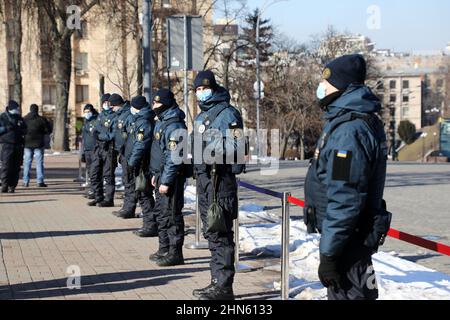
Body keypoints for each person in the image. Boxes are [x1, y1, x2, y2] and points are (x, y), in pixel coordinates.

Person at [303, 54, 389, 300]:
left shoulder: (350, 132)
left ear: (343, 87)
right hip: (349, 238)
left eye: (327, 83)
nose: (322, 87)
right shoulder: (348, 120)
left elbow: (345, 198)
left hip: (348, 242)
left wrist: (329, 254)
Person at [191, 70, 245, 300]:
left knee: (221, 233)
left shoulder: (228, 114)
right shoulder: (201, 116)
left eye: (204, 88)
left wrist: (210, 151)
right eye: (197, 90)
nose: (200, 93)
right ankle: (216, 282)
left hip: (219, 181)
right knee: (212, 233)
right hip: (205, 181)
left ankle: (223, 287)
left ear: (213, 88)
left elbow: (237, 148)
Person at [148, 88, 188, 266]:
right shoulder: (162, 122)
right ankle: (164, 247)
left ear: (165, 104)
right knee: (162, 214)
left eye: (156, 103)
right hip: (161, 174)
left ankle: (175, 252)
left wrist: (166, 180)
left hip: (171, 178)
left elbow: (174, 157)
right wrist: (156, 174)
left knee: (172, 215)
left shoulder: (175, 125)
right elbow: (159, 152)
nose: (154, 106)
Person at [124, 96, 157, 237]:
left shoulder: (144, 122)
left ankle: (150, 225)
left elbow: (140, 144)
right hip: (139, 163)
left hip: (143, 164)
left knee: (144, 194)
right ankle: (149, 223)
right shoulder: (139, 120)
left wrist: (132, 162)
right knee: (142, 193)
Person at [108, 94, 136, 219]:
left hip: (128, 152)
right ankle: (126, 206)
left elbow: (129, 136)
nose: (111, 108)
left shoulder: (128, 115)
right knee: (126, 180)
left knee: (129, 181)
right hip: (123, 152)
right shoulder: (120, 115)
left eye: (112, 106)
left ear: (118, 104)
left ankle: (129, 208)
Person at [88, 93, 117, 207]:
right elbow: (95, 129)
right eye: (103, 103)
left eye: (107, 102)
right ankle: (98, 196)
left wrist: (101, 135)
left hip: (109, 149)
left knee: (108, 175)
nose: (105, 104)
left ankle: (109, 199)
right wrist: (96, 133)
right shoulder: (101, 115)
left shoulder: (115, 116)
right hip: (98, 148)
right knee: (94, 173)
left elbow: (112, 135)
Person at [22, 104, 52, 188]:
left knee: (27, 162)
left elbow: (21, 130)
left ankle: (25, 181)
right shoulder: (41, 119)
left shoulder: (25, 119)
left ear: (30, 109)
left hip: (27, 143)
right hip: (39, 143)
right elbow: (48, 130)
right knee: (39, 162)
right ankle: (40, 181)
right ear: (37, 110)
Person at [0, 100, 27, 193]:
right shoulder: (2, 117)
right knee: (6, 166)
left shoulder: (19, 118)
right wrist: (6, 128)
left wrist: (21, 129)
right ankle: (4, 185)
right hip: (7, 145)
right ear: (10, 108)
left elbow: (25, 129)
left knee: (16, 167)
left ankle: (12, 186)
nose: (17, 110)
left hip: (18, 145)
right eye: (15, 108)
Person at [81, 104, 99, 199]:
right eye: (85, 112)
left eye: (88, 112)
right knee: (89, 170)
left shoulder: (96, 120)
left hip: (94, 149)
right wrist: (83, 152)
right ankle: (92, 189)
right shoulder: (86, 121)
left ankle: (95, 190)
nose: (87, 114)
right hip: (87, 149)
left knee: (94, 171)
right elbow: (84, 137)